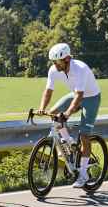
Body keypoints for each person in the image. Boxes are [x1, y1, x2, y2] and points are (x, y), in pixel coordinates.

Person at [37, 42, 101, 187]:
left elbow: (79, 97)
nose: (54, 65)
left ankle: (84, 174)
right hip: (75, 95)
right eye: (53, 62)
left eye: (57, 61)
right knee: (53, 114)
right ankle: (68, 142)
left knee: (84, 135)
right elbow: (48, 91)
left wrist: (67, 114)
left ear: (66, 59)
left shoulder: (80, 69)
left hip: (91, 98)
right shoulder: (54, 70)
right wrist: (42, 108)